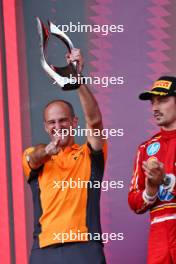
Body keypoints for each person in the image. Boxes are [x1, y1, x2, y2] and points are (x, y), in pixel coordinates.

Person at [22, 48, 107, 264]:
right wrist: (48, 151)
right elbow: (34, 159)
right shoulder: (35, 155)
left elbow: (95, 121)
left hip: (84, 248)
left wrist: (78, 80)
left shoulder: (89, 154)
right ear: (45, 127)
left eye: (63, 120)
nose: (58, 126)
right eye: (52, 122)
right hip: (44, 250)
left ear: (74, 122)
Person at [128, 76, 176, 264]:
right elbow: (134, 202)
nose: (155, 107)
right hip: (159, 236)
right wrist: (150, 190)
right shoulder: (146, 148)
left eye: (163, 100)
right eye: (152, 102)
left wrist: (166, 180)